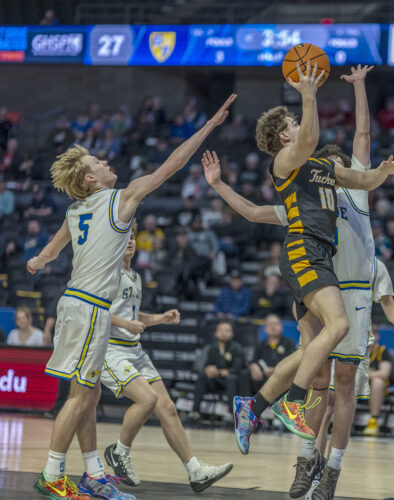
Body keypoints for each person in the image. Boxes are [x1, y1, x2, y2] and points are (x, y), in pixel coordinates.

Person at [202, 65, 394, 500]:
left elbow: (364, 172)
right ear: (285, 136)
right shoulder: (289, 165)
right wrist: (308, 93)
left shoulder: (333, 180)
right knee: (321, 363)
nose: (302, 130)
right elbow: (257, 209)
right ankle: (294, 412)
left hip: (333, 277)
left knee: (320, 364)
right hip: (312, 263)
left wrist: (384, 171)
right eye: (294, 125)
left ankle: (256, 407)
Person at [26, 93, 236, 500]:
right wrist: (209, 127)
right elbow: (172, 164)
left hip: (80, 305)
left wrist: (35, 262)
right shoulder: (120, 199)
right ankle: (52, 474)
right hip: (89, 307)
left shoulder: (75, 211)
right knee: (79, 396)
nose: (106, 162)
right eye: (98, 163)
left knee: (90, 394)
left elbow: (50, 251)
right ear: (90, 179)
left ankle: (93, 473)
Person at [101, 222, 232, 492]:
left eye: (133, 237)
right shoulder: (108, 272)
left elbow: (132, 315)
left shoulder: (135, 277)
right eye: (124, 237)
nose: (130, 241)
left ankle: (195, 471)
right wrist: (127, 324)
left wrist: (161, 318)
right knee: (147, 400)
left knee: (168, 408)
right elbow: (97, 312)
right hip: (111, 349)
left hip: (134, 350)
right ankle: (119, 451)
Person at [191, 320, 245, 419]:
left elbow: (239, 367)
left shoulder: (237, 348)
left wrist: (223, 372)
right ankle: (195, 411)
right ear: (215, 333)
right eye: (221, 330)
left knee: (231, 379)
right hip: (214, 379)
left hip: (230, 381)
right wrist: (207, 369)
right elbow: (203, 365)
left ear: (232, 334)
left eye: (227, 330)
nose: (224, 333)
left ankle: (231, 413)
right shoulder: (211, 348)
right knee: (202, 377)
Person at [248, 314, 296, 392]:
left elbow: (293, 362)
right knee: (245, 374)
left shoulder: (289, 343)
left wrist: (276, 370)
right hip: (263, 378)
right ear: (265, 329)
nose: (273, 327)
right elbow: (254, 360)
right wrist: (252, 365)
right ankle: (249, 399)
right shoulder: (260, 345)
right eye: (270, 324)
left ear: (281, 327)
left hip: (283, 378)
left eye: (276, 324)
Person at [361, 326, 394, 437]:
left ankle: (373, 421)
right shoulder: (358, 350)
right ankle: (340, 420)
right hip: (359, 384)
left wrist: (366, 374)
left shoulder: (382, 351)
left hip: (375, 388)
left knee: (378, 382)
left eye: (372, 334)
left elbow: (384, 373)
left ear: (377, 336)